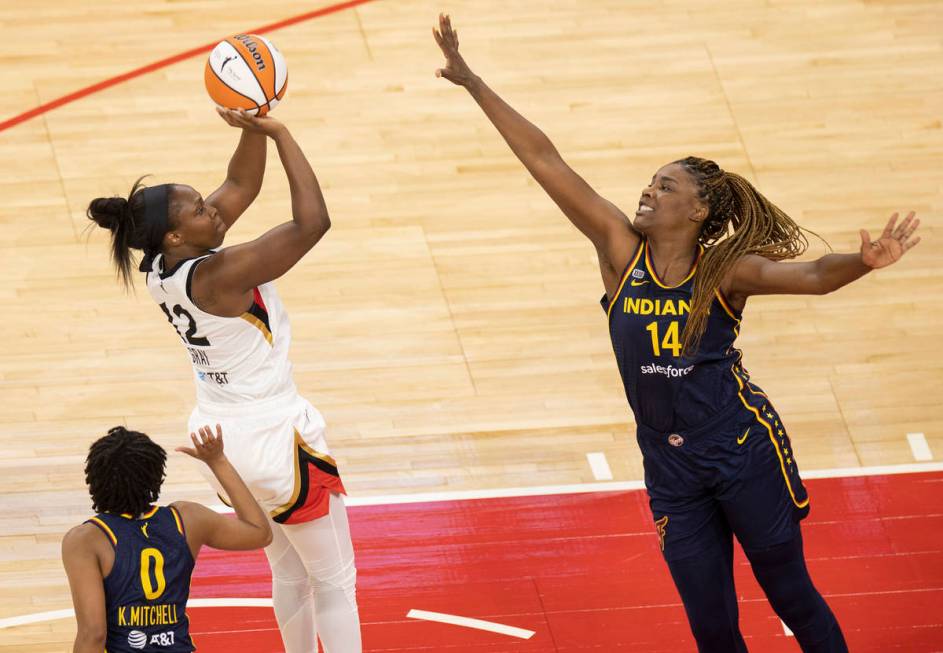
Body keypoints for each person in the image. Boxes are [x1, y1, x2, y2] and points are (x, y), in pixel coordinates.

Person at [432, 13, 921, 652]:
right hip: (668, 462)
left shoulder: (726, 270)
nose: (648, 191)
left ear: (697, 209)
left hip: (741, 448)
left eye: (666, 186)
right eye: (651, 180)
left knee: (789, 592)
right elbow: (545, 159)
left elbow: (812, 276)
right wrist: (472, 81)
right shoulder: (617, 250)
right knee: (712, 627)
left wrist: (864, 261)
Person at [87, 109, 361, 652]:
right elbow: (312, 224)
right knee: (333, 581)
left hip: (223, 441)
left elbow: (242, 183)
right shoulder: (218, 274)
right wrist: (281, 132)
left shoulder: (163, 266)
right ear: (174, 232)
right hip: (276, 436)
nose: (212, 210)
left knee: (289, 574)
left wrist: (251, 123)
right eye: (198, 209)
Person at [61, 424, 272, 653]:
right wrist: (217, 461)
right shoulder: (188, 519)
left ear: (95, 479)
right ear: (154, 476)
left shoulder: (86, 540)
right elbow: (259, 532)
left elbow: (93, 634)